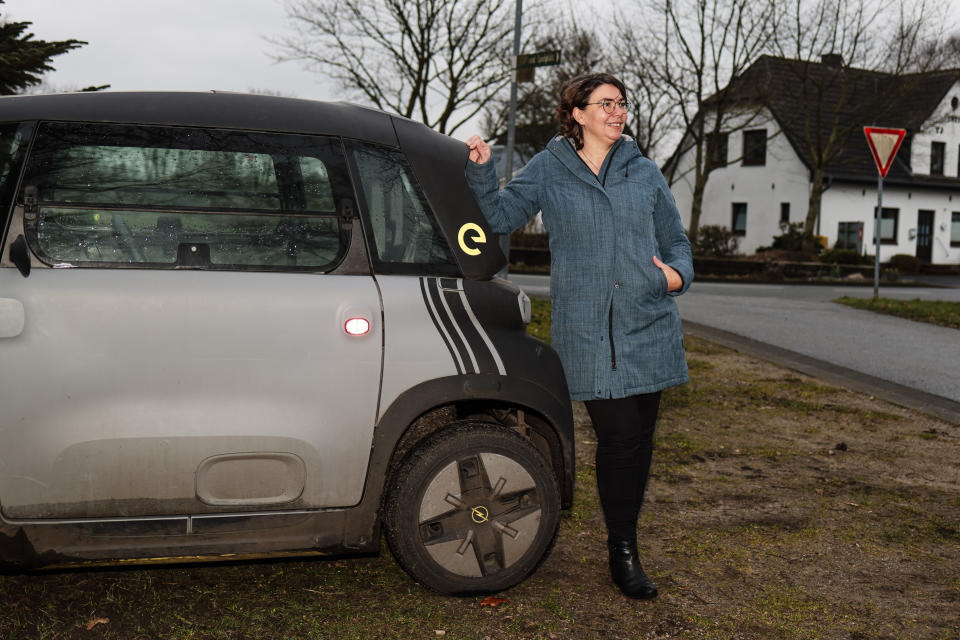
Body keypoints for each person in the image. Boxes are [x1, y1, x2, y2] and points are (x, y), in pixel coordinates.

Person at [464, 72, 693, 599]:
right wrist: (481, 172)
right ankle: (624, 552)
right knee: (617, 438)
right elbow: (500, 213)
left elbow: (676, 241)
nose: (618, 112)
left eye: (622, 103)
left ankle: (625, 540)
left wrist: (676, 276)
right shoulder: (550, 167)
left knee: (640, 443)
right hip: (588, 331)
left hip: (650, 323)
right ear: (578, 114)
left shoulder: (644, 172)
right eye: (606, 104)